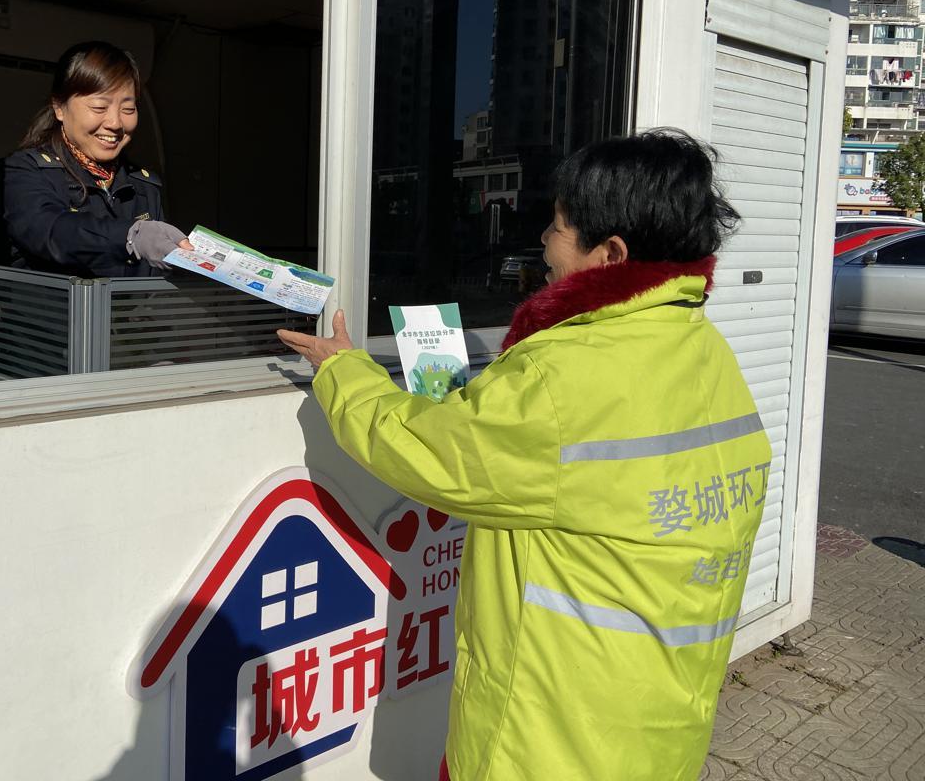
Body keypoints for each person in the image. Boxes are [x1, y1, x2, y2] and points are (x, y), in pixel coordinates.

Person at [279, 129, 770, 781]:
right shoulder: (706, 352)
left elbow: (425, 451)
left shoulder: (561, 377)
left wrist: (343, 371)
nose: (543, 239)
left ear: (610, 253)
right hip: (661, 727)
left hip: (551, 739)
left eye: (560, 226)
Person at [0, 41, 190, 277]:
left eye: (128, 109)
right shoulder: (24, 171)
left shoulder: (144, 185)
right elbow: (50, 231)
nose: (115, 123)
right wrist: (130, 236)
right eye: (99, 107)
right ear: (60, 108)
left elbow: (152, 281)